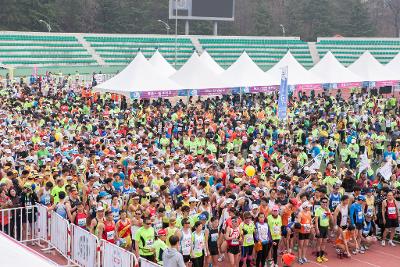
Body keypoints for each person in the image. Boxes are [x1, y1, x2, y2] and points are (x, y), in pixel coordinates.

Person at [314, 197, 332, 263]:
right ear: (320, 203)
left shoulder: (327, 209)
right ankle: (318, 256)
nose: (324, 203)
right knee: (319, 242)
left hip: (326, 227)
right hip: (320, 228)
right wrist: (317, 229)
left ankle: (322, 256)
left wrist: (328, 211)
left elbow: (330, 219)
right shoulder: (318, 210)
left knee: (324, 242)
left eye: (326, 202)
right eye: (323, 202)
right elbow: (316, 221)